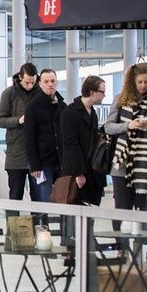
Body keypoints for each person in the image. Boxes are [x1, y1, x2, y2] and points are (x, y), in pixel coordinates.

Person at [104, 63, 147, 213]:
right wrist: (128, 125)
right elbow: (108, 127)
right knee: (122, 209)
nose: (143, 85)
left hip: (145, 164)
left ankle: (143, 238)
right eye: (140, 82)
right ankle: (120, 238)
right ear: (133, 81)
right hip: (121, 164)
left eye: (146, 82)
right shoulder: (120, 99)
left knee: (144, 210)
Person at [60, 75, 108, 206]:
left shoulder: (92, 112)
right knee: (75, 213)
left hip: (92, 172)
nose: (104, 95)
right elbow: (71, 145)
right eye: (102, 92)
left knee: (91, 212)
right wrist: (79, 173)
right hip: (78, 172)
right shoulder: (70, 112)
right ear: (92, 92)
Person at [0, 63, 41, 201]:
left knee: (39, 197)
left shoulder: (41, 92)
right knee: (15, 196)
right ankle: (12, 223)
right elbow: (0, 120)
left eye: (33, 82)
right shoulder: (9, 93)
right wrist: (19, 120)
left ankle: (40, 223)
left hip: (37, 155)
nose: (30, 85)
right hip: (16, 154)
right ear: (20, 77)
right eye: (27, 82)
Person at [24, 69, 65, 202]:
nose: (50, 84)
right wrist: (34, 165)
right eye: (46, 81)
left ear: (57, 82)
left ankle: (61, 223)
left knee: (63, 198)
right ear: (40, 84)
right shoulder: (33, 107)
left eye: (53, 81)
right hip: (42, 162)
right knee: (44, 199)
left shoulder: (62, 105)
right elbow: (29, 138)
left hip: (60, 161)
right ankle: (42, 223)